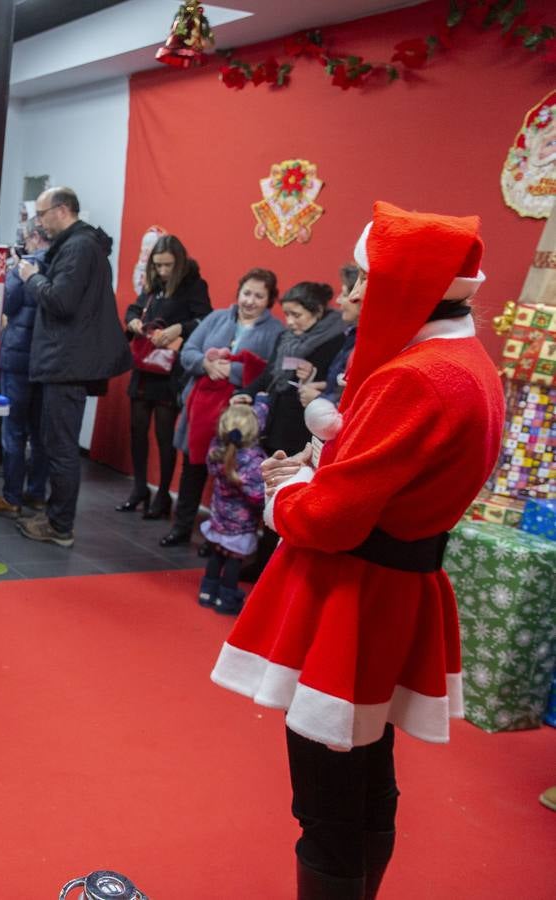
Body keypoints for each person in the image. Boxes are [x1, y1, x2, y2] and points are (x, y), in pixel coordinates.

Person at [210, 202, 505, 899]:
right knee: (367, 776)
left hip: (355, 597)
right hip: (392, 590)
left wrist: (290, 490)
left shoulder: (419, 375)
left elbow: (334, 519)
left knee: (329, 800)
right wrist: (323, 469)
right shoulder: (464, 363)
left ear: (406, 285)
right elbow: (390, 480)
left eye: (364, 279)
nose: (350, 293)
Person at [15, 186, 132, 547]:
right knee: (58, 444)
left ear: (62, 210)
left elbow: (61, 301)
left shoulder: (79, 247)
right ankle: (56, 517)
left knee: (61, 448)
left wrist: (31, 277)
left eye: (42, 213)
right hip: (68, 360)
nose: (39, 222)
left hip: (67, 362)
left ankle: (60, 525)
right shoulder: (81, 245)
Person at [162, 269, 286, 547]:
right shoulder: (217, 317)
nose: (250, 300)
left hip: (238, 416)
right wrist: (205, 364)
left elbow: (271, 372)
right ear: (238, 293)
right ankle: (181, 527)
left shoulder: (276, 331)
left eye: (259, 296)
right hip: (200, 409)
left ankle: (221, 538)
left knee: (230, 477)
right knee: (192, 469)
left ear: (269, 300)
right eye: (247, 293)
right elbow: (189, 351)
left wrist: (234, 371)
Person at [120, 234, 212, 520]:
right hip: (145, 365)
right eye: (158, 265)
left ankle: (162, 494)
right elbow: (134, 308)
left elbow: (205, 319)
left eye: (167, 265)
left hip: (170, 370)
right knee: (137, 430)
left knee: (164, 435)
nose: (162, 271)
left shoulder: (194, 285)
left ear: (179, 262)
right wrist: (134, 321)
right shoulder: (154, 284)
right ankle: (139, 488)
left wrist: (179, 329)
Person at [241, 281, 348, 458]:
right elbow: (269, 374)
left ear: (317, 312)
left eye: (296, 315)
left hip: (304, 431)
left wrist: (312, 378)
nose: (290, 321)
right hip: (274, 424)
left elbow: (336, 385)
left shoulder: (337, 340)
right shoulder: (285, 337)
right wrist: (245, 393)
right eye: (287, 314)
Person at [0, 221, 49, 519]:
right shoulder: (62, 267)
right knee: (40, 432)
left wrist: (11, 270)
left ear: (35, 237)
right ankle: (36, 493)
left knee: (13, 430)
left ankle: (11, 497)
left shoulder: (23, 267)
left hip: (16, 358)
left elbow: (5, 304)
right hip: (46, 359)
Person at [198, 403, 266, 615]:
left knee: (218, 552)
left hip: (220, 517)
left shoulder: (217, 449)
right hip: (241, 525)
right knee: (234, 559)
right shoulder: (253, 460)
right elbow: (257, 495)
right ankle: (226, 599)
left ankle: (207, 592)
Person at [299, 264, 362, 409]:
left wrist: (319, 399)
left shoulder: (366, 345)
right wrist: (327, 386)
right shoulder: (351, 335)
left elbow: (355, 402)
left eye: (344, 294)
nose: (338, 300)